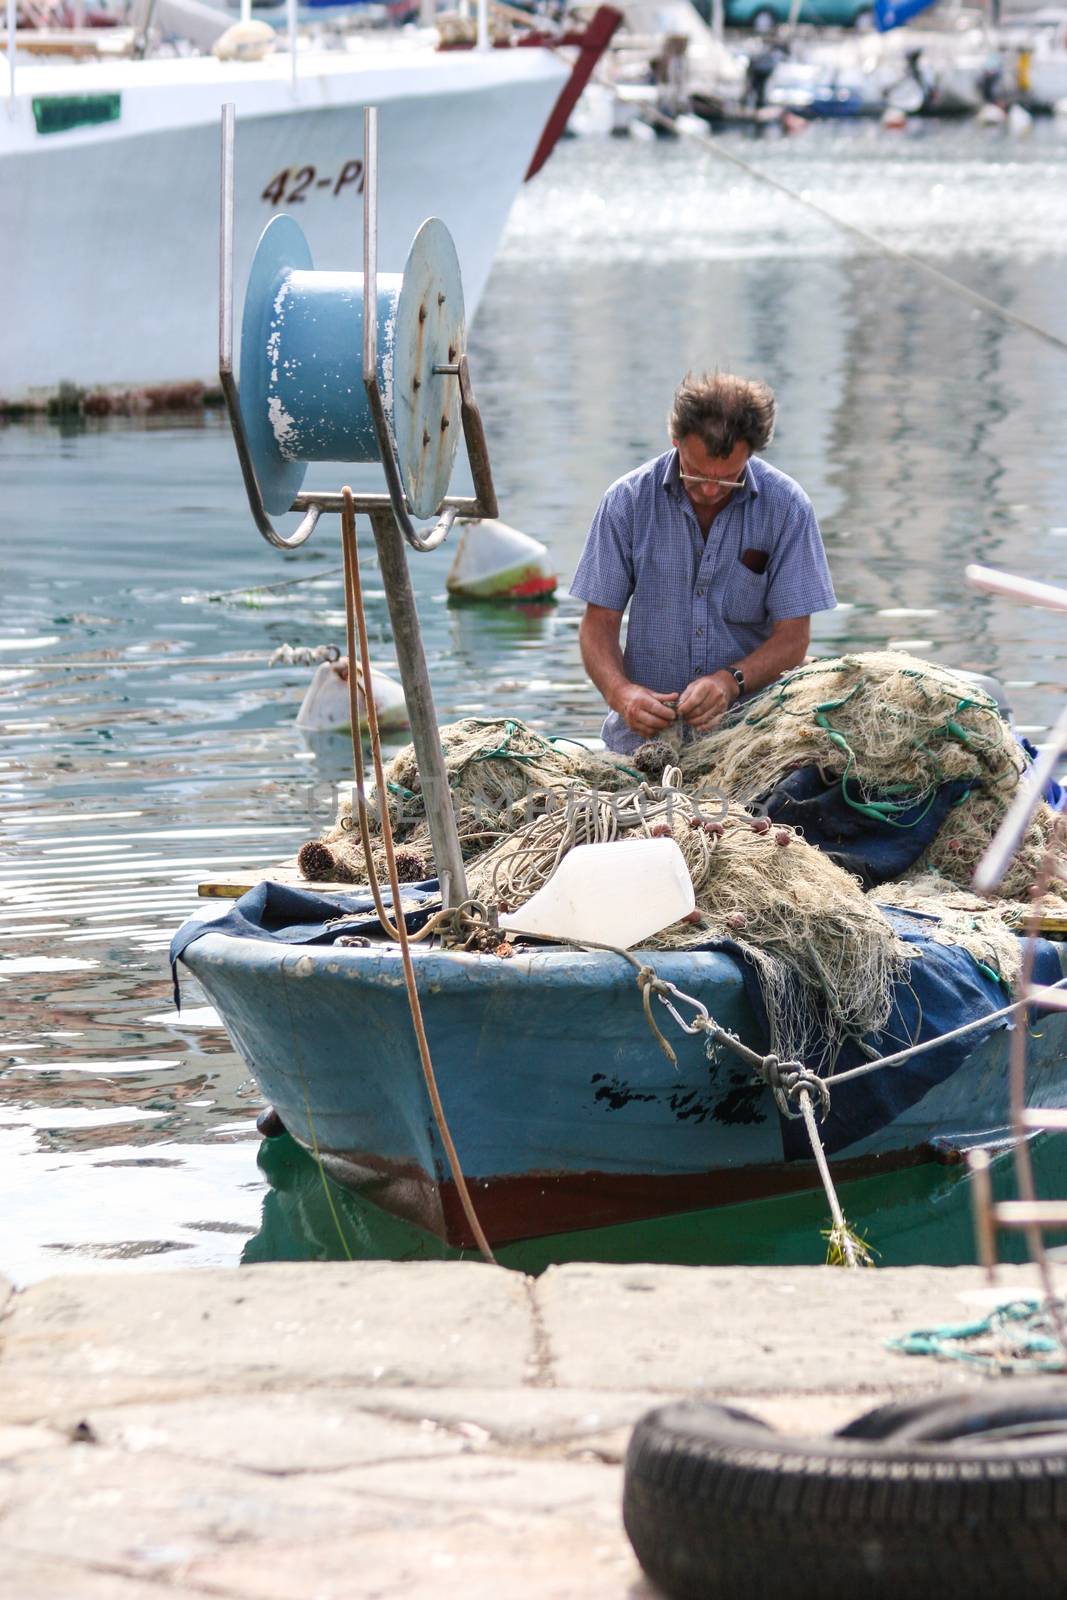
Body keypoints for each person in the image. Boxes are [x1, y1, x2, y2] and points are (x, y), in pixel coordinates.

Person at [571, 372, 836, 755]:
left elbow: (794, 638)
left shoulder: (787, 508)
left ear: (751, 454)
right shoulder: (626, 502)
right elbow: (598, 626)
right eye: (695, 473)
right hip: (641, 745)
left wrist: (731, 683)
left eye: (728, 478)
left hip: (753, 742)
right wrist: (622, 694)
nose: (711, 490)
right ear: (675, 440)